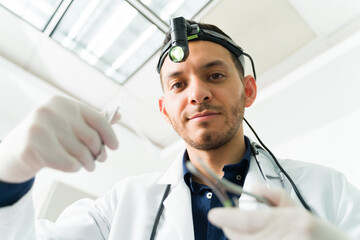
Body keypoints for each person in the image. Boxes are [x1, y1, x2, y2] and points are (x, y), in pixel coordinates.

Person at [0, 17, 359, 240]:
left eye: (214, 75)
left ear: (248, 90)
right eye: (177, 84)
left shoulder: (328, 190)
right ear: (164, 110)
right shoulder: (119, 207)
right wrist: (9, 174)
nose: (198, 93)